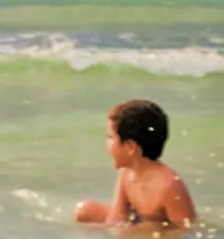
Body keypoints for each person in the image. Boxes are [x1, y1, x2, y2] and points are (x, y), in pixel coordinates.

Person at [75, 98, 197, 231]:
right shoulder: (126, 173)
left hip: (157, 232)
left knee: (150, 227)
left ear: (130, 147)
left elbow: (187, 231)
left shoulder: (169, 186)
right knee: (85, 210)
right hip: (137, 222)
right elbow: (116, 219)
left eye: (110, 138)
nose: (106, 144)